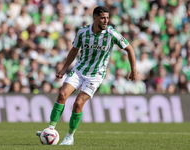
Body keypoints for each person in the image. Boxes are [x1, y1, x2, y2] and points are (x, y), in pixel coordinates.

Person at [36, 6, 137, 145]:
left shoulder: (111, 33)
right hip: (79, 70)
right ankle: (50, 129)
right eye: (102, 18)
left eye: (107, 18)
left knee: (78, 104)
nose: (106, 21)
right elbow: (73, 51)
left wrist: (134, 70)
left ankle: (69, 137)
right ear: (95, 18)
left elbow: (129, 48)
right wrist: (64, 69)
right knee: (62, 95)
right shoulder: (83, 32)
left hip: (96, 75)